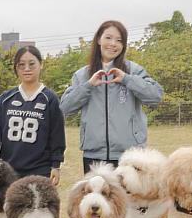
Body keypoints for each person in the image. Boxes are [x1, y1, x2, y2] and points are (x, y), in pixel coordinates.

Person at [60, 20, 163, 174]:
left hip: (130, 155)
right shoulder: (82, 75)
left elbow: (155, 95)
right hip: (94, 155)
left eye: (119, 40)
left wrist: (127, 79)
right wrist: (88, 85)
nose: (113, 44)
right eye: (108, 38)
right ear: (98, 40)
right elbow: (65, 107)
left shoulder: (133, 70)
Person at [0, 46, 66, 185]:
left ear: (41, 64)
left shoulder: (49, 99)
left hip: (40, 170)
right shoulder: (6, 98)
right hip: (8, 169)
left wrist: (56, 165)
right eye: (21, 65)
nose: (27, 69)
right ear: (16, 68)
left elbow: (57, 135)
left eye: (32, 64)